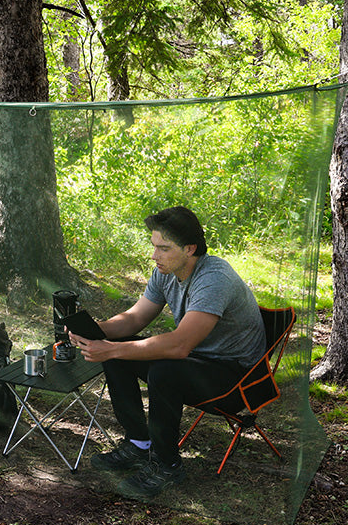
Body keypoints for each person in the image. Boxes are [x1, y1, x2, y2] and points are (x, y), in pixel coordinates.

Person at [68, 206, 266, 499]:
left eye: (163, 248)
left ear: (190, 249)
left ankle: (167, 465)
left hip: (236, 377)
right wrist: (99, 331)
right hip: (199, 360)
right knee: (118, 355)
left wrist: (113, 347)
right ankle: (139, 444)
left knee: (160, 369)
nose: (154, 255)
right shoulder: (165, 271)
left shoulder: (214, 279)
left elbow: (178, 345)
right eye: (154, 247)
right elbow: (136, 318)